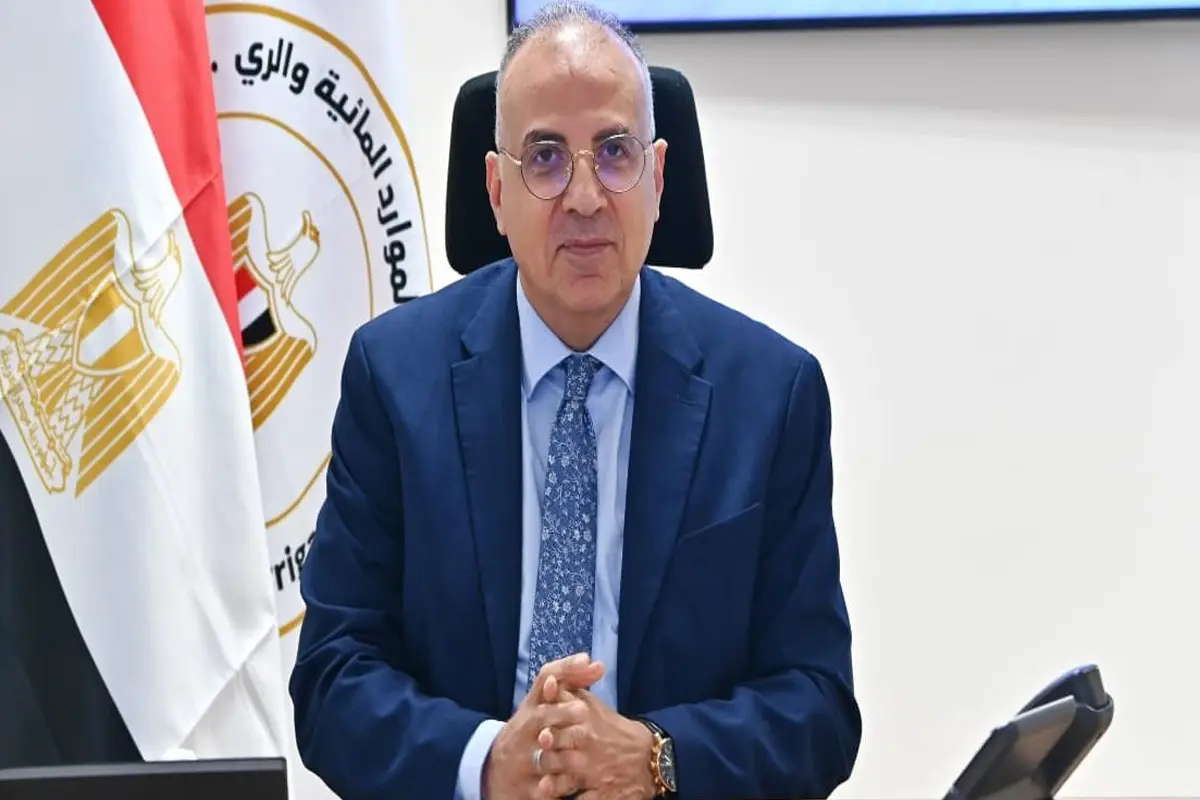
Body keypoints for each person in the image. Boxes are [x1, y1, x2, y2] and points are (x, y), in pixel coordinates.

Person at [289, 2, 861, 797]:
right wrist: (486, 763)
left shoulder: (769, 394)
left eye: (616, 153)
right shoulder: (394, 378)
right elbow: (333, 677)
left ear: (659, 179)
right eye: (546, 158)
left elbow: (817, 706)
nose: (586, 196)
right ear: (497, 191)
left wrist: (654, 759)